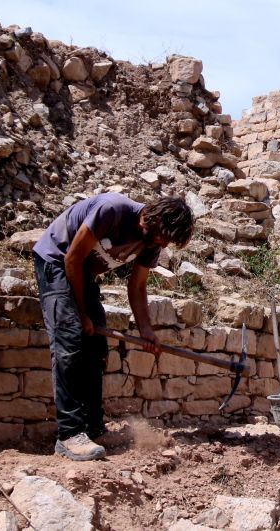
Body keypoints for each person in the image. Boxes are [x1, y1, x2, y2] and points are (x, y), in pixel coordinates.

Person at [32, 193, 193, 460]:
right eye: (163, 237)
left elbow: (137, 286)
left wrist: (146, 330)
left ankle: (93, 428)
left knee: (96, 349)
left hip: (82, 273)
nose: (163, 244)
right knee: (70, 342)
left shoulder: (153, 241)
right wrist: (82, 314)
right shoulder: (112, 211)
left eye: (168, 241)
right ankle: (69, 435)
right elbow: (72, 259)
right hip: (56, 261)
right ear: (152, 218)